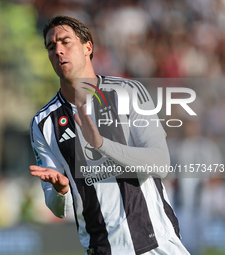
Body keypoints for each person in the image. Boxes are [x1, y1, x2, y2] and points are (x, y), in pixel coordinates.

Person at [29, 16, 190, 255]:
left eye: (65, 42)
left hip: (158, 244)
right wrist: (61, 191)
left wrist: (102, 144)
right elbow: (58, 209)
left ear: (87, 47)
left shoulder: (128, 92)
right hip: (105, 250)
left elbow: (160, 163)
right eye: (51, 47)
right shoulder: (44, 123)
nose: (58, 51)